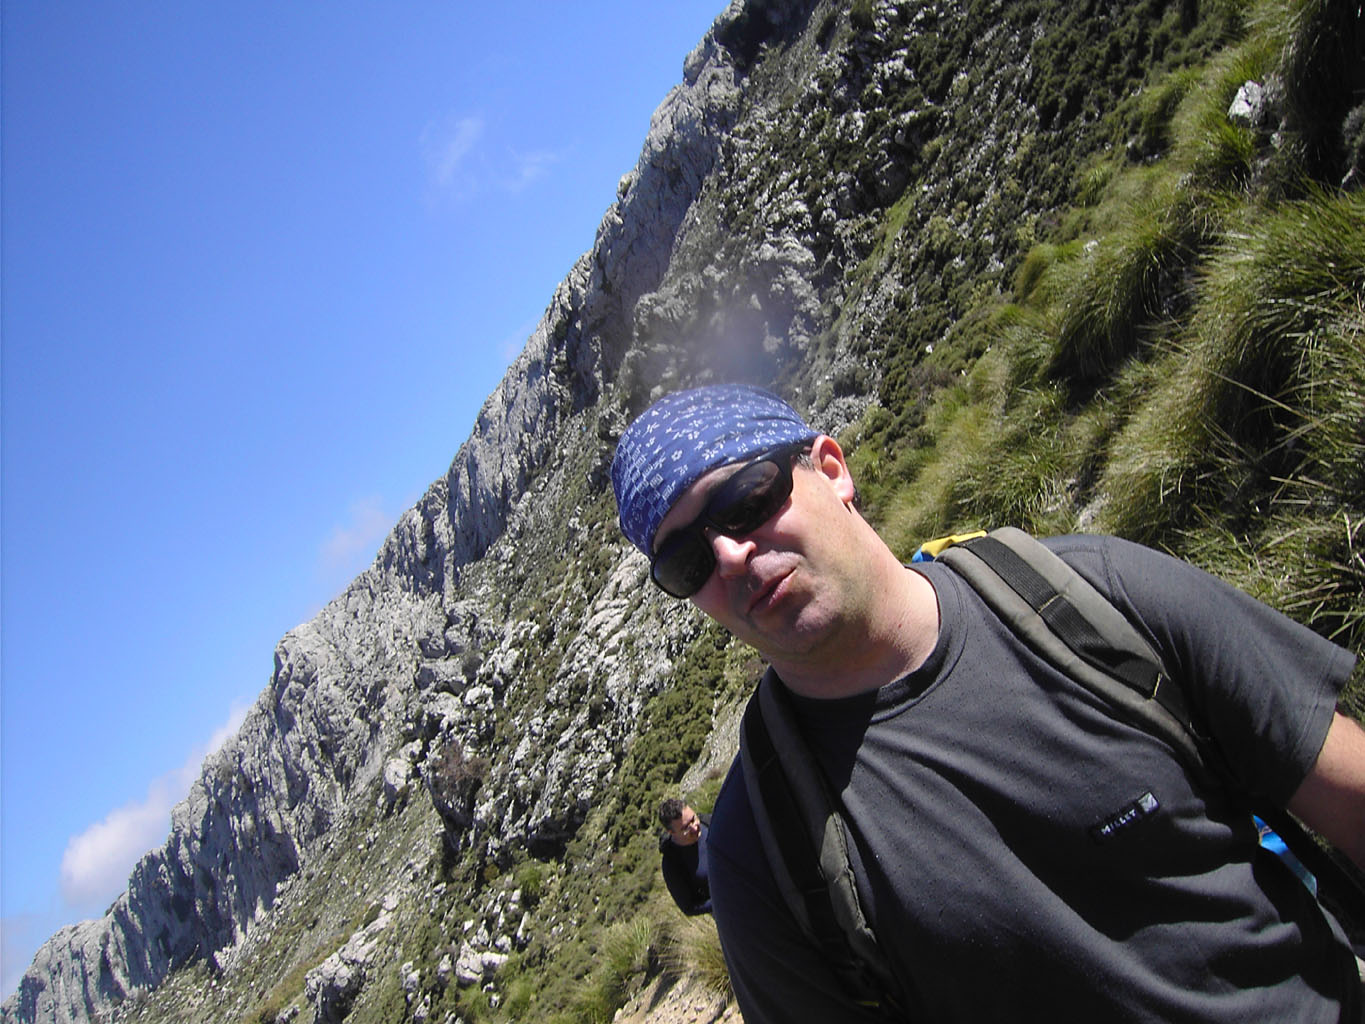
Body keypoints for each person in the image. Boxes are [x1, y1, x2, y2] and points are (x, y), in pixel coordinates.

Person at [609, 382, 1365, 1023]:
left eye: (745, 499)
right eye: (686, 561)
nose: (730, 555)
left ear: (831, 470)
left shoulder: (1097, 597)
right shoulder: (759, 853)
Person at [658, 798, 713, 916]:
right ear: (671, 832)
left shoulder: (709, 822)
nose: (695, 828)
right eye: (686, 828)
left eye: (693, 819)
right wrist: (720, 900)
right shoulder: (672, 863)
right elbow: (689, 907)